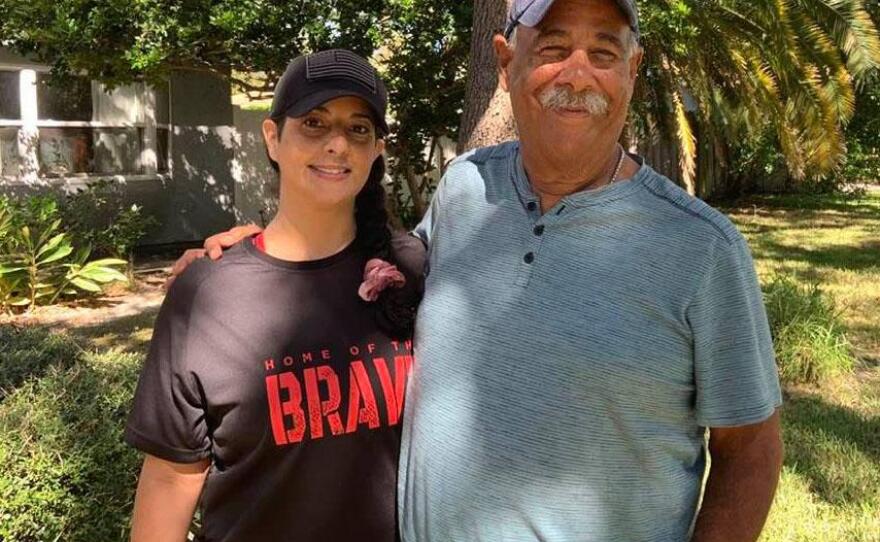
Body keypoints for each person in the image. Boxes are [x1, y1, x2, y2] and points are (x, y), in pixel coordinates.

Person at [175, 1, 784, 540]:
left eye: (604, 52)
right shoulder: (465, 187)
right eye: (552, 48)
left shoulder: (700, 249)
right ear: (505, 59)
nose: (578, 73)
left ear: (633, 70)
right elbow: (371, 267)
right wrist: (272, 245)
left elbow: (750, 449)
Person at [125, 49, 424, 542]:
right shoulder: (207, 293)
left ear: (376, 151)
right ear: (272, 137)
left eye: (358, 129)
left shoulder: (413, 269)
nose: (336, 144)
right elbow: (168, 479)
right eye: (313, 122)